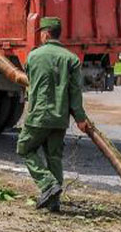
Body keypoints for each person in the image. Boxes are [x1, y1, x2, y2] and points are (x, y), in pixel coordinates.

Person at [17, 15, 89, 213]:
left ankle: (48, 184)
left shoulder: (33, 56)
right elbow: (75, 92)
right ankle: (54, 202)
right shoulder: (72, 59)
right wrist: (81, 118)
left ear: (46, 34)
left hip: (38, 115)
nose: (40, 36)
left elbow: (30, 82)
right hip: (59, 117)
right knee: (54, 156)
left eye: (41, 33)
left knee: (24, 148)